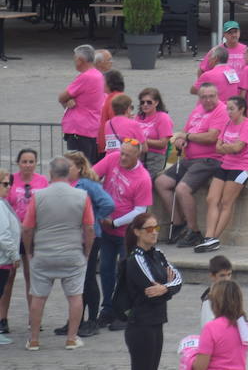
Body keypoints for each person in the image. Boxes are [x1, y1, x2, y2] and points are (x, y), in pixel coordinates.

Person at [22, 156, 93, 352]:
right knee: (75, 296)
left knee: (38, 296)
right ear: (69, 173)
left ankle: (34, 339)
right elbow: (89, 228)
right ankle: (71, 338)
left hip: (44, 252)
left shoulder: (39, 196)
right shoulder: (82, 196)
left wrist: (29, 251)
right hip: (72, 252)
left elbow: (27, 228)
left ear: (51, 174)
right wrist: (86, 250)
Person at [156, 82, 228, 249]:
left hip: (209, 159)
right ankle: (179, 224)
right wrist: (181, 140)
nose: (208, 100)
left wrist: (186, 136)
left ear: (217, 96)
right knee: (161, 182)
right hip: (190, 159)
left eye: (211, 96)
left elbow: (211, 137)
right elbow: (186, 132)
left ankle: (194, 231)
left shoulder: (221, 111)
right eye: (204, 97)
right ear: (199, 98)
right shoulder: (198, 110)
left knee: (182, 189)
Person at [92, 139, 151, 329]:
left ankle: (124, 312)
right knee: (106, 270)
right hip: (106, 230)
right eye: (121, 153)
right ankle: (107, 308)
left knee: (125, 273)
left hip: (127, 234)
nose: (122, 157)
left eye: (127, 155)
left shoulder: (142, 177)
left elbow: (140, 210)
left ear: (137, 156)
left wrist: (115, 222)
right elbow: (92, 174)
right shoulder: (113, 159)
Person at [118, 211, 182, 369]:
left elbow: (178, 280)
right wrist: (167, 288)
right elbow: (152, 292)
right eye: (149, 229)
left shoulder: (159, 255)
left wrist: (165, 288)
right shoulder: (135, 259)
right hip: (141, 324)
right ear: (137, 232)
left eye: (156, 227)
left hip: (156, 321)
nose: (154, 232)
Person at [59, 151, 112, 338]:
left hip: (90, 237)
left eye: (69, 166)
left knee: (88, 277)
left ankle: (92, 320)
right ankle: (76, 319)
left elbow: (108, 204)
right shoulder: (67, 184)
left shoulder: (88, 185)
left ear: (80, 168)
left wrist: (94, 219)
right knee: (75, 280)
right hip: (73, 237)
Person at [196, 96, 248, 253]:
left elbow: (238, 148)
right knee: (211, 199)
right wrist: (229, 147)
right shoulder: (227, 124)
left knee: (226, 202)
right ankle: (209, 237)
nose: (228, 112)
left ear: (241, 109)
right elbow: (218, 147)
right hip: (226, 164)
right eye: (227, 108)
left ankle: (214, 237)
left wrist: (227, 147)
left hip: (242, 167)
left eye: (231, 109)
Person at [1, 148, 47, 333]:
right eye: (24, 161)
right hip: (13, 234)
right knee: (7, 277)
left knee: (32, 277)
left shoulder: (42, 181)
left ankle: (33, 317)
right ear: (18, 163)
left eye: (31, 161)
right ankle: (3, 318)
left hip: (33, 234)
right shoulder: (10, 179)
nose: (27, 165)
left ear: (36, 163)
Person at [59, 44, 105, 165]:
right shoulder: (97, 75)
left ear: (80, 60)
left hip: (80, 129)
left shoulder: (85, 77)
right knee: (88, 165)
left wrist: (68, 99)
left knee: (78, 167)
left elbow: (62, 96)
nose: (74, 61)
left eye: (75, 58)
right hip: (91, 127)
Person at [192, 278, 248, 370]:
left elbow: (200, 366)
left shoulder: (210, 328)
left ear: (216, 302)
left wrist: (190, 359)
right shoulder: (243, 324)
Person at [133, 88, 175, 175]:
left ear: (156, 103)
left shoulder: (163, 118)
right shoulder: (138, 117)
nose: (145, 105)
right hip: (137, 154)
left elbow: (163, 143)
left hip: (155, 158)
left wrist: (143, 140)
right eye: (142, 102)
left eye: (149, 102)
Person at [0, 170, 18, 345]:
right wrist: (14, 255)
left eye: (9, 183)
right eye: (5, 184)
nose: (9, 187)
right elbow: (3, 235)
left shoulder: (3, 203)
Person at [199, 255, 233, 327]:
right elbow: (208, 327)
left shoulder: (232, 294)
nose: (226, 279)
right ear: (212, 276)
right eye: (222, 275)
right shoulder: (209, 300)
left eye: (229, 274)